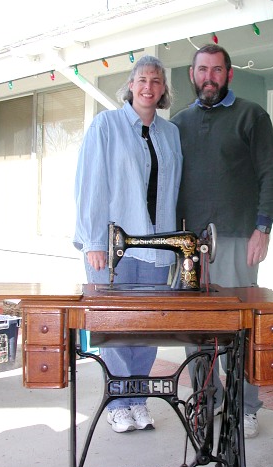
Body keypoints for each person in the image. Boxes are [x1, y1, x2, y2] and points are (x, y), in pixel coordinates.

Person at [171, 44, 273, 439]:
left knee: (240, 326)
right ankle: (209, 400)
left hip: (237, 237)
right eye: (202, 70)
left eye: (217, 70)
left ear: (229, 74)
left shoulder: (252, 116)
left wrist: (262, 227)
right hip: (189, 243)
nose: (209, 77)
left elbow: (272, 173)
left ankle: (245, 406)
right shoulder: (178, 123)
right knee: (195, 330)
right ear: (192, 74)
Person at [74, 55, 182, 433]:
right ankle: (119, 403)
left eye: (156, 80)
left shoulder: (171, 134)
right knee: (116, 327)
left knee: (147, 328)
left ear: (163, 89)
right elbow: (90, 185)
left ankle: (138, 399)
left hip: (156, 247)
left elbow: (173, 190)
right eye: (142, 80)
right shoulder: (106, 125)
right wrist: (93, 241)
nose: (148, 87)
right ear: (131, 85)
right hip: (111, 247)